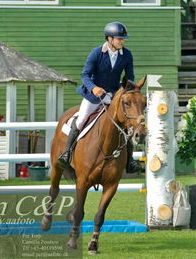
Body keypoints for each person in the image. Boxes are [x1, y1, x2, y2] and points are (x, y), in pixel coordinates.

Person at [58, 22, 143, 173]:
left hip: (113, 95)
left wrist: (128, 90)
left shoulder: (127, 54)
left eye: (123, 39)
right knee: (81, 119)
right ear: (110, 39)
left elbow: (129, 77)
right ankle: (67, 154)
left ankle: (130, 161)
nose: (122, 41)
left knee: (125, 125)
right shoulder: (96, 53)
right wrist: (94, 88)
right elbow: (85, 75)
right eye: (119, 39)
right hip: (94, 96)